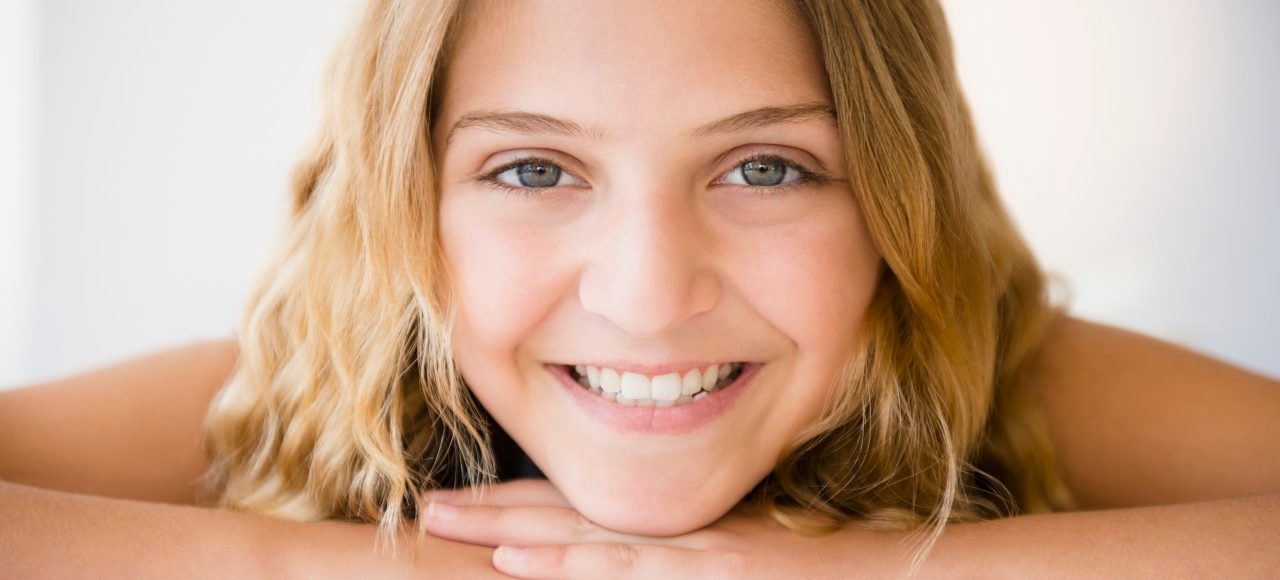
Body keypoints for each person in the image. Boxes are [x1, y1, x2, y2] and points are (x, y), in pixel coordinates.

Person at [3, 0, 1278, 577]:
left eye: (764, 166)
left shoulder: (979, 357)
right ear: (408, 206)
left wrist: (847, 576)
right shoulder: (346, 364)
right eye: (536, 167)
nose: (648, 294)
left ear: (894, 207)